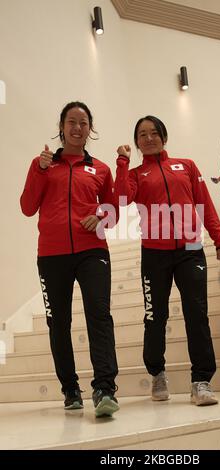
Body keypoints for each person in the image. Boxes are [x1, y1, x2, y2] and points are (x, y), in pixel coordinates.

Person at [114, 115, 220, 406]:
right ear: (137, 142)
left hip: (191, 247)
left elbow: (204, 204)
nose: (149, 138)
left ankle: (201, 381)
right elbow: (120, 199)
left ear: (164, 137)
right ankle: (157, 374)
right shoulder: (135, 173)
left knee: (197, 313)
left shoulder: (187, 165)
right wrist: (122, 163)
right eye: (142, 134)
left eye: (154, 132)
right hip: (154, 251)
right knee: (155, 316)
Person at [20, 101, 119, 417]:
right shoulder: (44, 164)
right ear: (62, 127)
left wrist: (101, 215)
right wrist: (40, 170)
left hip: (93, 252)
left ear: (90, 129)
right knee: (58, 322)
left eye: (84, 122)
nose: (78, 128)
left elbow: (113, 210)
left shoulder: (101, 169)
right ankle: (70, 389)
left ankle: (104, 388)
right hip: (52, 255)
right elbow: (27, 206)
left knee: (99, 314)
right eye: (72, 122)